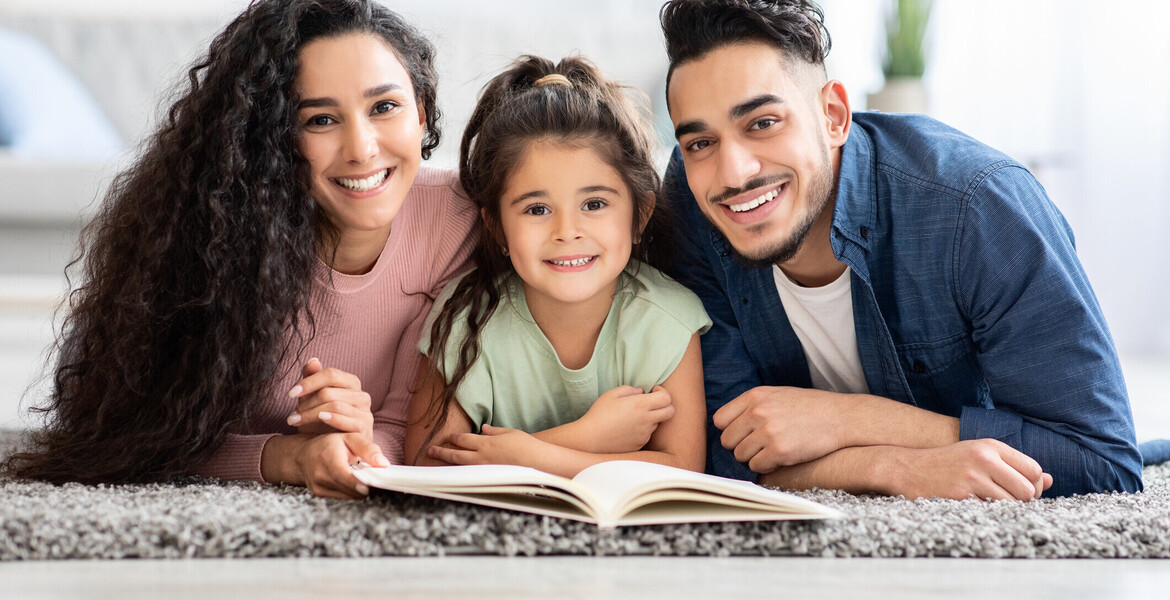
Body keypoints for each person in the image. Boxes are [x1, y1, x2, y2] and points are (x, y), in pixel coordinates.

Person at [658, 0, 1143, 499]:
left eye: (762, 123)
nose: (734, 173)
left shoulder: (977, 207)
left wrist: (850, 420)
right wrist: (891, 467)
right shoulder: (693, 201)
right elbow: (720, 458)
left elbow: (1103, 463)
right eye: (700, 143)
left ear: (833, 116)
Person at [3, 0, 476, 500]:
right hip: (120, 356)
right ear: (272, 135)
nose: (361, 149)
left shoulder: (462, 220)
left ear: (421, 112)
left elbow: (404, 429)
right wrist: (290, 456)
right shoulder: (216, 236)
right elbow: (140, 440)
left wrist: (356, 442)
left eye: (384, 107)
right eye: (319, 120)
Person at [404, 56, 710, 478]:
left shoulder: (668, 320)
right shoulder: (468, 314)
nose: (567, 231)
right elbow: (427, 460)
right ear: (496, 227)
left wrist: (530, 455)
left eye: (595, 204)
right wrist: (585, 436)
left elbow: (683, 467)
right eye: (537, 208)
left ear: (639, 215)